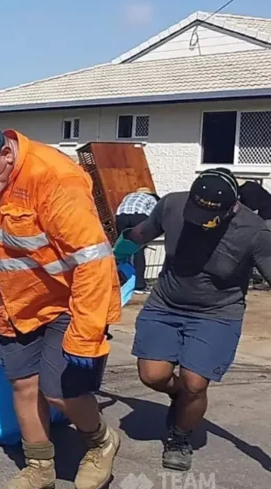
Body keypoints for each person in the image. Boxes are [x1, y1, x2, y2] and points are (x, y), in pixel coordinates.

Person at [0, 124, 122, 489]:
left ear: (5, 154)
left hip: (70, 301)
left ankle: (100, 443)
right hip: (18, 301)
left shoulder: (56, 179)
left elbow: (92, 261)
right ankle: (39, 466)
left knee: (60, 393)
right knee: (24, 386)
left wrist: (86, 334)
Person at [114, 168, 271, 471]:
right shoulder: (172, 205)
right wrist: (111, 256)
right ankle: (179, 395)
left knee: (196, 383)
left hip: (217, 313)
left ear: (231, 209)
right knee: (153, 376)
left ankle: (179, 437)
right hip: (166, 304)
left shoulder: (254, 232)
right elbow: (139, 234)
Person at [115, 186, 158, 293]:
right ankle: (139, 285)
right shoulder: (151, 199)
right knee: (138, 250)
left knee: (124, 249)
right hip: (138, 217)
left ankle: (124, 281)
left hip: (121, 217)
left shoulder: (128, 196)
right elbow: (154, 217)